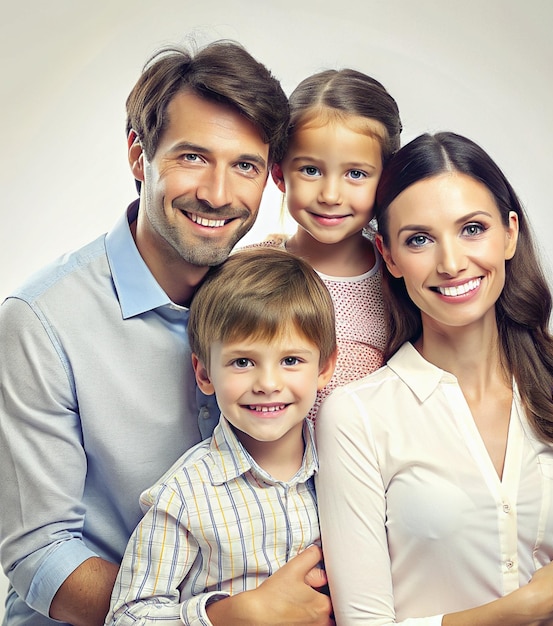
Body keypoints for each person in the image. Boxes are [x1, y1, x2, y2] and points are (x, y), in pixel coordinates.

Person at [0, 41, 333, 626]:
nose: (218, 193)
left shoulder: (266, 297)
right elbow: (39, 554)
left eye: (246, 166)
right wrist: (228, 615)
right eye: (192, 157)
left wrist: (543, 375)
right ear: (139, 154)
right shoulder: (42, 320)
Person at [315, 132, 553, 625]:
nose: (452, 262)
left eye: (472, 229)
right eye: (419, 239)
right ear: (389, 255)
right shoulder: (356, 416)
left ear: (510, 233)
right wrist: (523, 611)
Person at [257, 68, 553, 425]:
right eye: (310, 170)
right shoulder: (252, 272)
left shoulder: (409, 268)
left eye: (356, 174)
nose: (331, 195)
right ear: (279, 174)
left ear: (387, 181)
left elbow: (487, 341)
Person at [106, 247, 337, 625]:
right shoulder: (185, 496)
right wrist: (226, 617)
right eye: (242, 362)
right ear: (205, 374)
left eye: (291, 360)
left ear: (324, 367)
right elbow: (127, 617)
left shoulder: (346, 465)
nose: (267, 384)